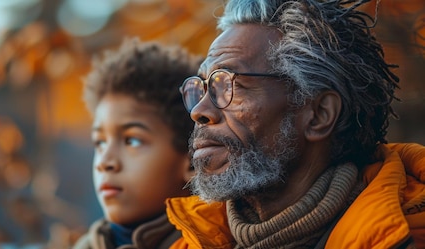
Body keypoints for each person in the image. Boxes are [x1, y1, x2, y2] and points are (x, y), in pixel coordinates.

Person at [167, 0, 425, 248]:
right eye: (200, 87)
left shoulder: (406, 235)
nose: (199, 110)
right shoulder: (190, 242)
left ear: (318, 115)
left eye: (229, 85)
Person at [73, 38, 200, 248]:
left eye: (131, 140)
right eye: (100, 142)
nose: (105, 162)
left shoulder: (220, 240)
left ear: (191, 161)